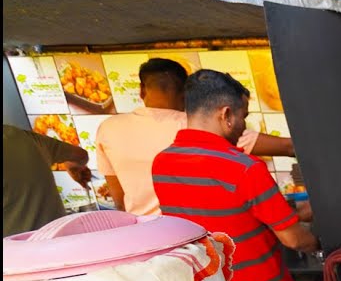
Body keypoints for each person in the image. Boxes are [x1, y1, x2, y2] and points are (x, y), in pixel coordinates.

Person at [152, 70, 319, 281]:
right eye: (244, 116)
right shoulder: (244, 168)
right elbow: (294, 240)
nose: (243, 125)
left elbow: (225, 212)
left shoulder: (162, 164)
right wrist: (323, 245)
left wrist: (295, 212)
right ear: (227, 115)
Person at [96, 58, 295, 216]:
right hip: (192, 239)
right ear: (186, 94)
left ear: (141, 91)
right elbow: (287, 147)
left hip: (145, 240)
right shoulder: (195, 125)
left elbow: (119, 200)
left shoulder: (108, 128)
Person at [3, 124, 91, 237]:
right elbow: (81, 156)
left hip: (17, 252)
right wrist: (72, 165)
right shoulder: (21, 136)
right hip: (63, 242)